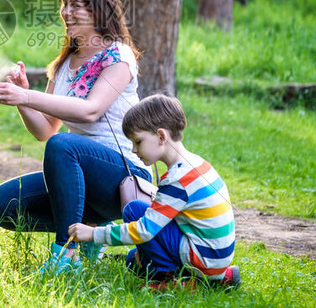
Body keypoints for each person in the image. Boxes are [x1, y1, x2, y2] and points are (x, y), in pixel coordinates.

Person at [0, 0, 151, 272]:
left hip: (124, 174)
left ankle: (66, 255)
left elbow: (90, 110)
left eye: (76, 5)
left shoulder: (118, 56)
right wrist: (21, 97)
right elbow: (46, 130)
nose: (66, 12)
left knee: (65, 146)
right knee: (1, 205)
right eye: (64, 4)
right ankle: (90, 234)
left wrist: (26, 97)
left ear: (98, 8)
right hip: (77, 176)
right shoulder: (63, 64)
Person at [68, 94, 239, 290]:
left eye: (138, 142)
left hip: (204, 258)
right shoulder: (197, 163)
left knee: (134, 211)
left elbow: (144, 230)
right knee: (133, 261)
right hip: (216, 256)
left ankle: (171, 281)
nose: (133, 150)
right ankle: (220, 277)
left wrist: (93, 233)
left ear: (161, 136)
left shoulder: (177, 180)